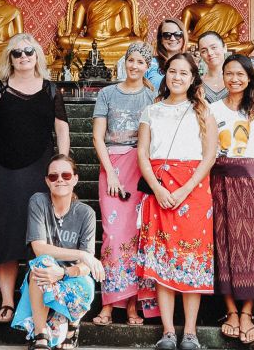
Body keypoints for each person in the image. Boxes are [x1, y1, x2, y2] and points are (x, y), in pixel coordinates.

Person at [0, 33, 70, 324]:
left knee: (40, 234)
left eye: (29, 52)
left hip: (41, 169)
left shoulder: (50, 90)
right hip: (5, 169)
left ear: (38, 55)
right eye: (17, 53)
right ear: (9, 58)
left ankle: (39, 301)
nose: (23, 57)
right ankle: (7, 302)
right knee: (6, 233)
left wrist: (61, 164)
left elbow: (61, 129)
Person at [136, 53, 217, 350]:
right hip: (159, 187)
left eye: (184, 73)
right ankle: (168, 331)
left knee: (190, 258)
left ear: (193, 78)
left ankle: (191, 332)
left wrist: (185, 190)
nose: (177, 77)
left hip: (193, 191)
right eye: (172, 71)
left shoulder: (203, 110)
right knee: (162, 260)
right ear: (165, 74)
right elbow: (142, 153)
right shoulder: (151, 111)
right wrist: (157, 188)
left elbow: (210, 155)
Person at [209, 54, 254, 350]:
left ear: (249, 77)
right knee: (221, 243)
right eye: (229, 74)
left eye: (240, 74)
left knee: (249, 245)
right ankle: (231, 311)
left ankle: (247, 313)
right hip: (218, 180)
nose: (234, 79)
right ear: (222, 77)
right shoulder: (211, 110)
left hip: (250, 182)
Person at [91, 42, 157, 327]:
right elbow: (97, 137)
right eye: (131, 60)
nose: (134, 66)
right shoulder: (107, 93)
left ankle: (132, 304)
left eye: (141, 62)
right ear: (124, 62)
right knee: (113, 236)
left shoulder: (153, 97)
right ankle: (108, 303)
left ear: (147, 67)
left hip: (140, 166)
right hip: (112, 164)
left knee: (137, 236)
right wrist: (112, 173)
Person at [11, 154, 104, 350]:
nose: (59, 179)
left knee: (85, 282)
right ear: (47, 181)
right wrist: (81, 254)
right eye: (53, 176)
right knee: (42, 262)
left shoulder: (86, 213)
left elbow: (86, 268)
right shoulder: (39, 202)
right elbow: (39, 248)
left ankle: (72, 327)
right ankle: (40, 334)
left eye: (66, 175)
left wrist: (63, 272)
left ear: (76, 179)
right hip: (42, 280)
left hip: (71, 279)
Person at [145, 19, 188, 91]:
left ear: (183, 37)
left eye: (177, 34)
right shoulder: (149, 63)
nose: (172, 38)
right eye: (167, 35)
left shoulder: (191, 63)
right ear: (161, 40)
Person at [197, 31, 228, 103]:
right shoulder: (197, 84)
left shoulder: (238, 80)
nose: (210, 53)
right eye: (204, 51)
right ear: (200, 55)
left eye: (213, 47)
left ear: (225, 48)